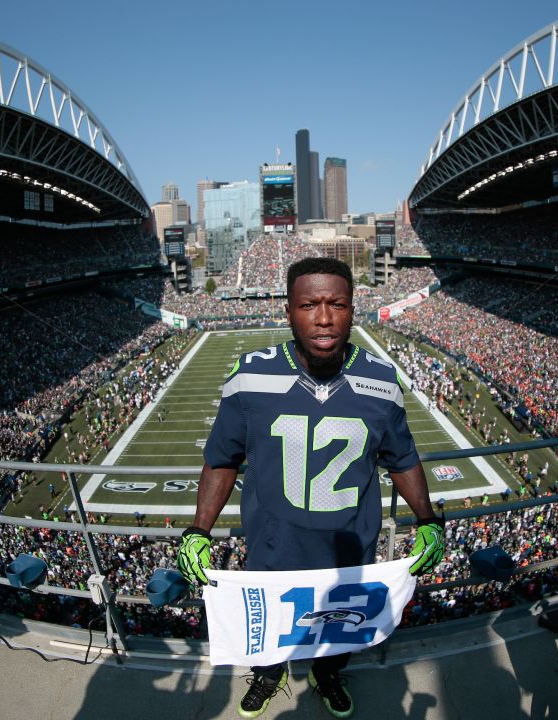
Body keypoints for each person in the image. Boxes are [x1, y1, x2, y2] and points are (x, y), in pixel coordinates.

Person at [176, 257, 446, 719]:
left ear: (353, 308)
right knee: (266, 633)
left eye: (337, 304)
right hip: (273, 547)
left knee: (337, 634)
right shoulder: (251, 374)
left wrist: (427, 521)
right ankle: (268, 675)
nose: (324, 317)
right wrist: (198, 530)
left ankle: (327, 675)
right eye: (309, 304)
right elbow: (222, 458)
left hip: (348, 549)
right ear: (289, 311)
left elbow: (401, 457)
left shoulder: (381, 379)